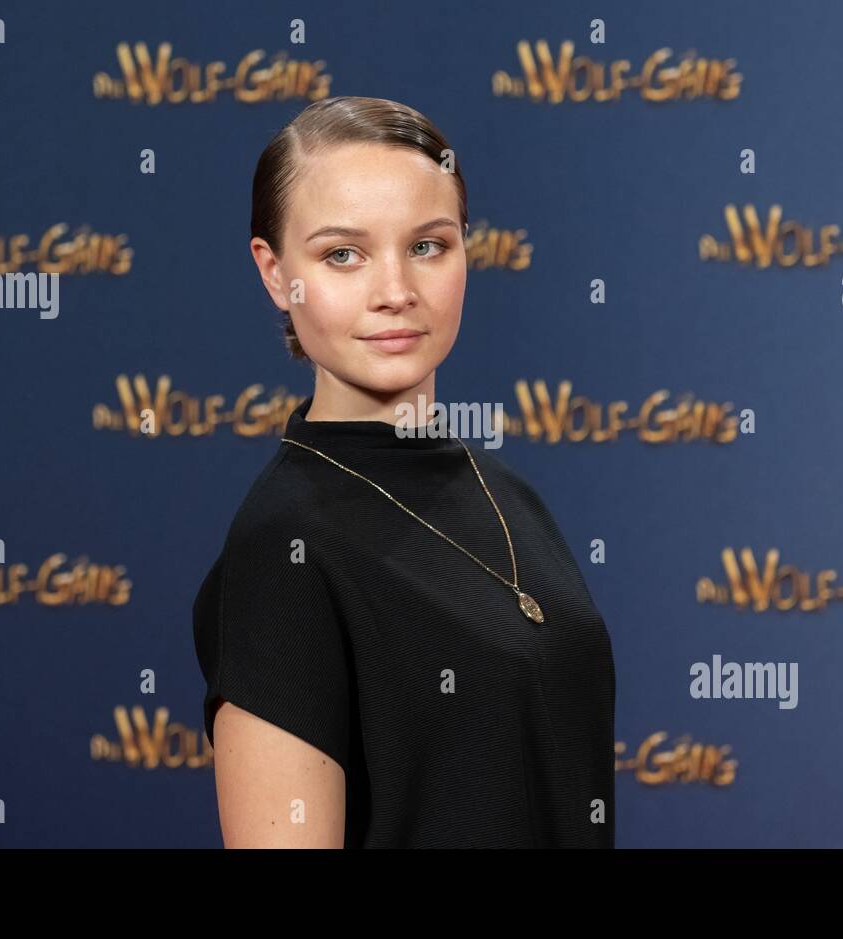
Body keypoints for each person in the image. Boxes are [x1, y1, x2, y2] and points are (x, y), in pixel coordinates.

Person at [192, 96, 616, 848]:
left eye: (427, 246)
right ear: (274, 273)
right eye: (342, 254)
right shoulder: (283, 551)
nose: (396, 289)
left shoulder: (515, 500)